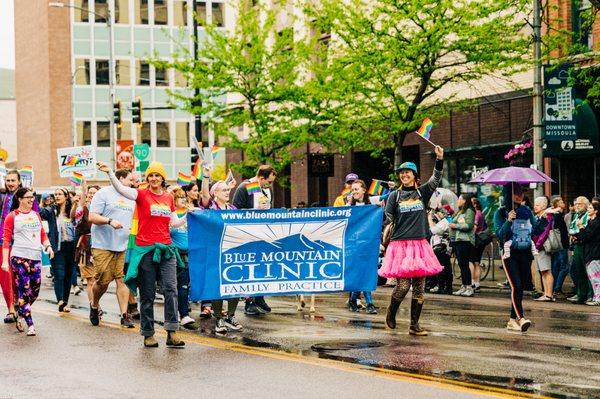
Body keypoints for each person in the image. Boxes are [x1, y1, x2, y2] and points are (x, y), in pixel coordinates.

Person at [99, 161, 187, 348]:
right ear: (147, 178)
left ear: (163, 178)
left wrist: (189, 215)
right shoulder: (140, 194)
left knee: (171, 289)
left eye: (157, 175)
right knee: (147, 293)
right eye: (151, 175)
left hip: (166, 250)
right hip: (146, 250)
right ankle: (148, 334)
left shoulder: (169, 198)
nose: (154, 179)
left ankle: (172, 332)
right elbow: (122, 189)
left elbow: (175, 223)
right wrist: (110, 174)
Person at [378, 146, 445, 336]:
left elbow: (436, 179)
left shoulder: (422, 192)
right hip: (400, 245)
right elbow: (387, 218)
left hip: (420, 244)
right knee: (403, 285)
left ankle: (414, 325)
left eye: (407, 172)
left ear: (414, 175)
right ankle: (391, 312)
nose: (403, 175)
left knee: (419, 288)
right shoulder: (394, 196)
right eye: (401, 173)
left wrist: (439, 159)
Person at [87, 168, 136, 329]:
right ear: (120, 179)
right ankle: (94, 305)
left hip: (122, 246)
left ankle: (124, 315)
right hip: (103, 245)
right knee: (103, 280)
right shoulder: (103, 194)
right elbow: (92, 217)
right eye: (130, 180)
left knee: (122, 280)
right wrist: (109, 221)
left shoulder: (131, 196)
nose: (133, 183)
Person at [1, 188, 54, 336]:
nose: (32, 200)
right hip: (19, 258)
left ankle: (19, 312)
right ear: (20, 199)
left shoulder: (36, 215)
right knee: (24, 290)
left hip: (35, 257)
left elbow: (42, 234)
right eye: (28, 197)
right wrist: (5, 261)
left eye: (33, 197)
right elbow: (6, 240)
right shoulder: (12, 216)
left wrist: (48, 246)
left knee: (34, 291)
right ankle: (30, 325)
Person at [199, 170, 244, 333]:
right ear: (215, 194)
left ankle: (230, 315)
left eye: (228, 190)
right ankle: (218, 318)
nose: (227, 192)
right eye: (224, 190)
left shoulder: (233, 209)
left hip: (232, 252)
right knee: (217, 286)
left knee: (235, 284)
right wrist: (205, 177)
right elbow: (204, 194)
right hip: (214, 252)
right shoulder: (210, 207)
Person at [232, 165, 277, 316]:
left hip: (264, 233)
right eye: (268, 181)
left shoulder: (267, 190)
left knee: (263, 265)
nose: (269, 185)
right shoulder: (245, 187)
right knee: (250, 266)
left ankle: (259, 297)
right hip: (248, 234)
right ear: (261, 178)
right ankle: (249, 301)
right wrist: (255, 211)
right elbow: (235, 210)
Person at [494, 184, 535, 332]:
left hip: (525, 252)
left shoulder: (526, 211)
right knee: (516, 285)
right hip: (509, 254)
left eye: (521, 192)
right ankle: (521, 318)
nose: (519, 195)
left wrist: (543, 219)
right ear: (508, 194)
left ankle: (512, 320)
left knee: (520, 288)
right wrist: (509, 221)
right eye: (516, 192)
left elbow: (535, 229)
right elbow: (499, 234)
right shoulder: (500, 212)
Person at [39, 187, 76, 313]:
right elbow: (40, 212)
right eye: (55, 194)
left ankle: (64, 302)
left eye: (60, 194)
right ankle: (60, 300)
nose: (57, 196)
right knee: (59, 275)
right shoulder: (51, 210)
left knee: (68, 276)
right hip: (57, 247)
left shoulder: (72, 211)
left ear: (66, 196)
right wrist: (32, 196)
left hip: (71, 247)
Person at [346, 179, 377, 314]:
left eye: (356, 189)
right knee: (359, 272)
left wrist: (392, 187)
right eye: (352, 190)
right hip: (354, 245)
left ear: (364, 190)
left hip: (368, 244)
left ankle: (354, 299)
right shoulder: (349, 207)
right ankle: (369, 303)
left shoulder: (372, 203)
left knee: (366, 272)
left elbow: (389, 196)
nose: (354, 192)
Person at [170, 186, 196, 329]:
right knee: (174, 287)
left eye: (185, 198)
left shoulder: (192, 214)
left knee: (184, 286)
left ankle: (184, 314)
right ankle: (176, 314)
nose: (184, 200)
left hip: (189, 255)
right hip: (173, 255)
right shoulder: (170, 215)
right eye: (180, 198)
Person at [0, 170, 24, 323]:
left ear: (19, 181)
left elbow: (35, 215)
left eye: (13, 180)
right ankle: (10, 309)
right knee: (5, 275)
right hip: (3, 242)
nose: (10, 183)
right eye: (7, 180)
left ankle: (19, 303)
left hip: (21, 242)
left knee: (19, 276)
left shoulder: (26, 197)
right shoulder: (2, 195)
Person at [72, 183, 100, 305]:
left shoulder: (105, 209)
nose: (92, 195)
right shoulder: (82, 209)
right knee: (90, 279)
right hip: (86, 245)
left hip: (102, 245)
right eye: (90, 193)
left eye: (95, 193)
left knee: (99, 280)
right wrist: (84, 187)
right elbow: (74, 217)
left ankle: (96, 302)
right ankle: (94, 306)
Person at [449, 194, 476, 297]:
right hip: (457, 240)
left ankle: (469, 287)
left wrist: (455, 225)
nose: (458, 200)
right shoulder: (460, 211)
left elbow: (468, 225)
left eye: (460, 199)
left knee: (464, 264)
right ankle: (464, 286)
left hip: (465, 240)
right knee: (461, 264)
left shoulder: (469, 211)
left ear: (465, 201)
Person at [574, 200, 600, 306]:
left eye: (590, 208)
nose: (588, 210)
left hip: (595, 253)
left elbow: (587, 236)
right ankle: (595, 297)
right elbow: (584, 237)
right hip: (589, 252)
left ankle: (597, 298)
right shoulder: (590, 221)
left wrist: (580, 227)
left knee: (595, 277)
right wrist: (577, 236)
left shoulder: (597, 222)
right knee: (592, 277)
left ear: (596, 211)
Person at [568, 196, 591, 304]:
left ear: (586, 205)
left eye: (580, 204)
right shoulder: (576, 215)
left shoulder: (588, 215)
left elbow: (585, 229)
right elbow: (572, 228)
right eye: (576, 203)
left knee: (588, 272)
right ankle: (581, 294)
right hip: (576, 245)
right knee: (579, 271)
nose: (577, 206)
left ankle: (590, 295)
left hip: (585, 245)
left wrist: (576, 232)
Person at [531, 196, 555, 302]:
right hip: (538, 247)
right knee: (543, 271)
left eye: (537, 205)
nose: (535, 207)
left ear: (544, 206)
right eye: (535, 204)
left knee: (546, 270)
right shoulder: (538, 216)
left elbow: (545, 232)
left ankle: (549, 295)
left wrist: (537, 245)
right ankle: (546, 293)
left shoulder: (547, 216)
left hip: (542, 247)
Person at [429, 204, 454, 295]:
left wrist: (429, 219)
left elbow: (433, 231)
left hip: (441, 248)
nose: (437, 214)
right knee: (446, 267)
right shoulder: (444, 221)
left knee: (442, 267)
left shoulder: (444, 222)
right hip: (444, 247)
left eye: (439, 212)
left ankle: (442, 287)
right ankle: (447, 287)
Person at [549, 196, 570, 298]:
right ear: (557, 204)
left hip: (557, 245)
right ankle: (557, 289)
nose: (563, 202)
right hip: (561, 245)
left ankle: (553, 289)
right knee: (565, 267)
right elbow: (560, 232)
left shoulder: (555, 215)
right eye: (561, 201)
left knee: (556, 266)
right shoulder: (558, 216)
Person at [469, 197, 487, 291]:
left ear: (475, 204)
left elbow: (474, 228)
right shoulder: (481, 213)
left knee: (471, 262)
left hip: (475, 241)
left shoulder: (476, 214)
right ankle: (477, 283)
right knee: (477, 262)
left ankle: (472, 282)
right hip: (480, 241)